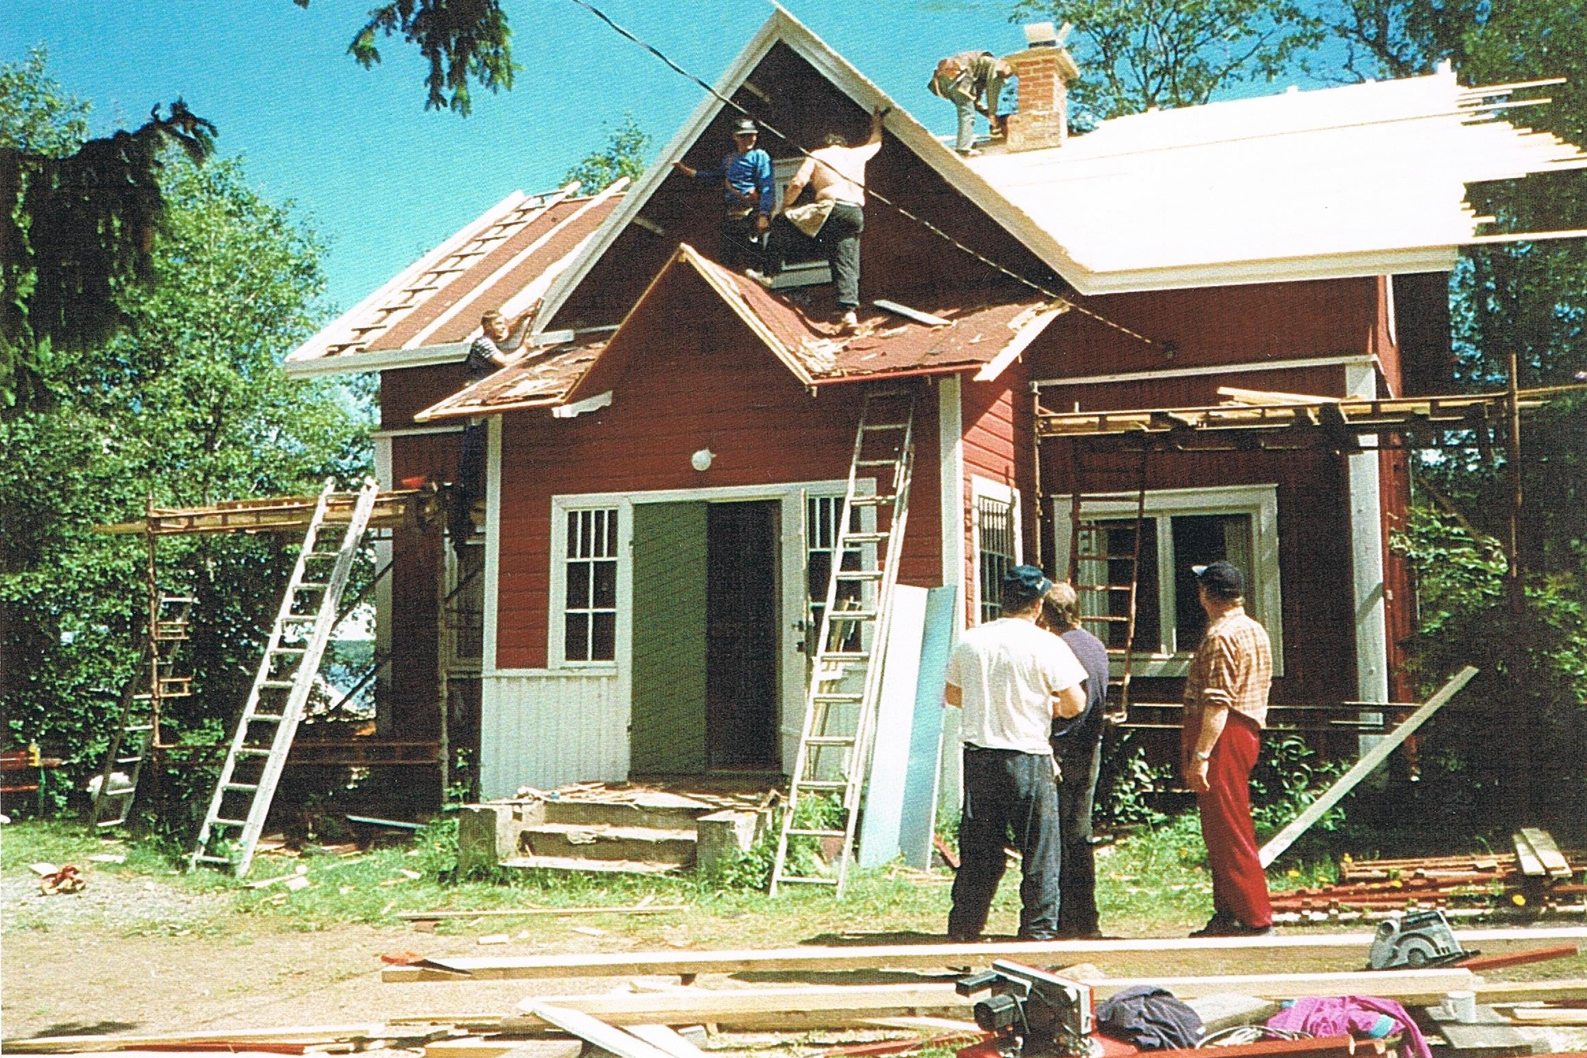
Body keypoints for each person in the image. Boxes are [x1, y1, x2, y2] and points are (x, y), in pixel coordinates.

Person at [944, 565, 1089, 942]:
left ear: (1003, 599)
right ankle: (1038, 935)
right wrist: (1043, 706)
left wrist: (990, 704)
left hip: (979, 758)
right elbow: (1075, 702)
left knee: (978, 853)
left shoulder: (971, 640)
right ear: (1039, 605)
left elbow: (952, 694)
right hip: (1027, 757)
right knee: (1040, 854)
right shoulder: (1047, 644)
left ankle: (963, 932)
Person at [1180, 560, 1275, 937]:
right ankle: (1229, 912)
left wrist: (1201, 755)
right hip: (1243, 730)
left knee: (1230, 828)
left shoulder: (1221, 636)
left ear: (1207, 594)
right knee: (1219, 829)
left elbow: (1218, 702)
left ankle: (1255, 917)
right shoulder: (1254, 629)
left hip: (1224, 733)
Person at [753, 108, 888, 330]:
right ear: (843, 144)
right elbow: (876, 143)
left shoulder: (818, 154)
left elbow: (797, 183)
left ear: (827, 144)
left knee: (781, 222)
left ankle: (768, 275)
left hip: (830, 208)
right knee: (845, 260)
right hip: (854, 212)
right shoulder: (856, 154)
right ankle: (848, 314)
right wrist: (877, 124)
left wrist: (784, 207)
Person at [1042, 582, 1110, 939]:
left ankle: (1064, 920)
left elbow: (1063, 701)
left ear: (1044, 612)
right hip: (1091, 745)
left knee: (1055, 838)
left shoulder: (1056, 647)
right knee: (1079, 835)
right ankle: (1087, 918)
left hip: (1063, 746)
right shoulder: (1095, 644)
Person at [452, 306, 532, 555]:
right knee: (473, 454)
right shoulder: (482, 344)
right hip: (478, 400)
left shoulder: (492, 339)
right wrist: (525, 349)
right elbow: (505, 361)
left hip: (487, 400)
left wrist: (526, 315)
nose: (504, 328)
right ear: (488, 328)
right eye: (499, 325)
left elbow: (508, 333)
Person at [673, 117, 776, 271]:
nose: (749, 139)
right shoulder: (729, 160)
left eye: (752, 135)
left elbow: (767, 185)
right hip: (732, 214)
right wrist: (688, 172)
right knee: (728, 255)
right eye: (744, 135)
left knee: (752, 251)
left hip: (750, 213)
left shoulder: (759, 156)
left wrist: (763, 214)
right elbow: (715, 176)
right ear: (735, 137)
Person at [928, 51, 1013, 156]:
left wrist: (991, 116)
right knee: (967, 113)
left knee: (967, 110)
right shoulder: (995, 68)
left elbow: (976, 102)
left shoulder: (981, 68)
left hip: (945, 80)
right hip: (955, 76)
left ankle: (964, 144)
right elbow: (992, 91)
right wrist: (992, 113)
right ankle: (963, 149)